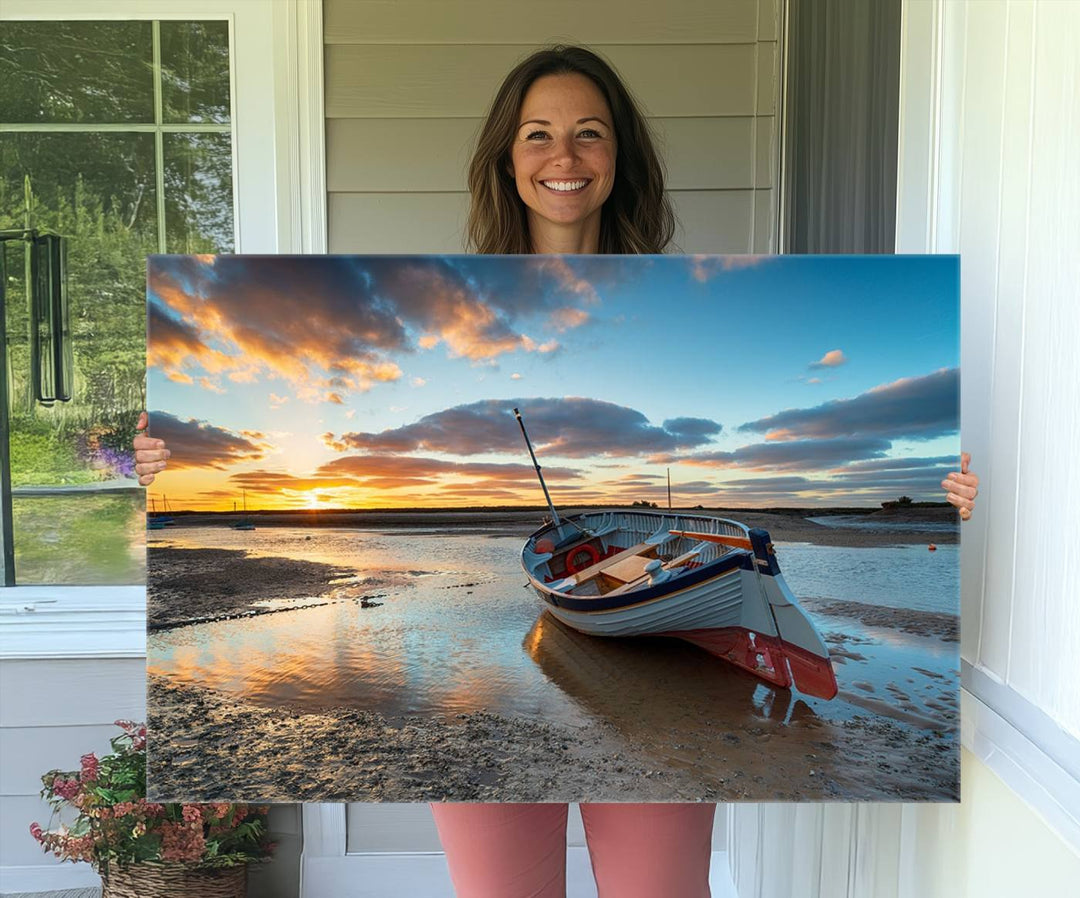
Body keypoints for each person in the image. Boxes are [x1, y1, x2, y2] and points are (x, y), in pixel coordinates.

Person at [135, 44, 980, 898]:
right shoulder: (448, 284)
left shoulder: (674, 292)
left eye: (589, 134)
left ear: (621, 157)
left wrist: (953, 488)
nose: (563, 157)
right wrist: (150, 460)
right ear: (507, 158)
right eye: (537, 134)